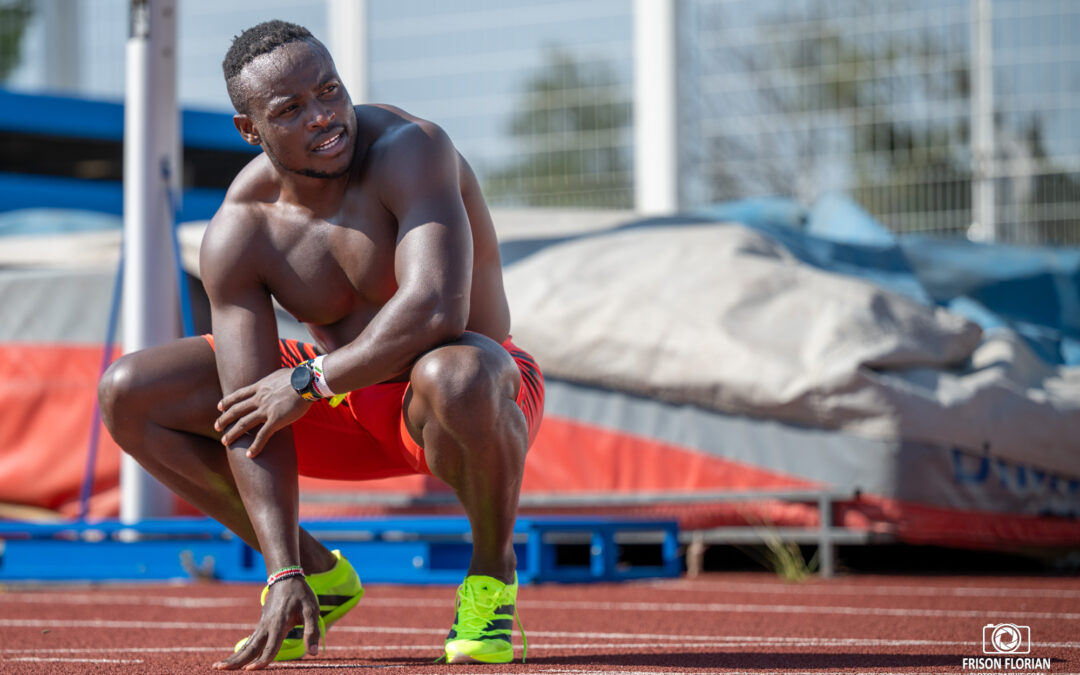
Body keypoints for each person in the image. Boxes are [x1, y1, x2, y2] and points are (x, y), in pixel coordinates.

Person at [98, 20, 544, 670]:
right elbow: (247, 405)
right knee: (131, 391)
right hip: (350, 402)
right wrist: (278, 568)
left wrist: (309, 383)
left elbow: (436, 308)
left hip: (468, 397)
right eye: (291, 109)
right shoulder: (240, 230)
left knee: (456, 370)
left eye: (330, 90)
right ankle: (317, 574)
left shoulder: (411, 148)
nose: (325, 117)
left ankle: (490, 575)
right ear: (249, 130)